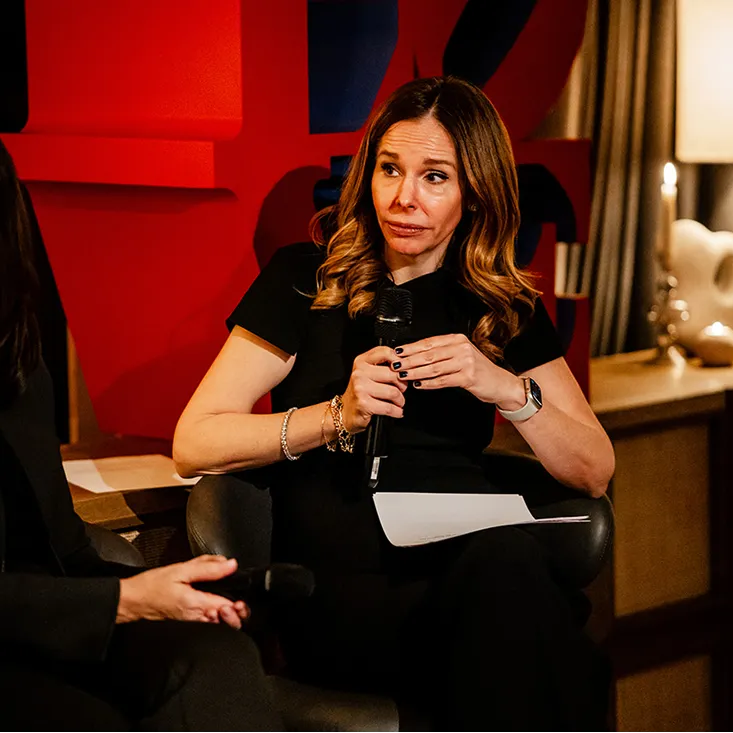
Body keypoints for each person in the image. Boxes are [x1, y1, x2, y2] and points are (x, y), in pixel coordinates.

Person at [174, 76, 615, 732]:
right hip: (351, 590)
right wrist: (337, 415)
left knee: (510, 576)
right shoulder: (308, 280)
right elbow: (194, 441)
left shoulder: (502, 308)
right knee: (535, 622)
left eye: (435, 177)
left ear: (474, 193)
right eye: (389, 169)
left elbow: (594, 469)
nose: (403, 197)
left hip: (473, 575)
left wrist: (504, 387)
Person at [0, 139, 284, 733]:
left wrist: (164, 588)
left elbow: (65, 552)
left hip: (50, 614)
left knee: (216, 657)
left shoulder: (17, 358)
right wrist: (127, 602)